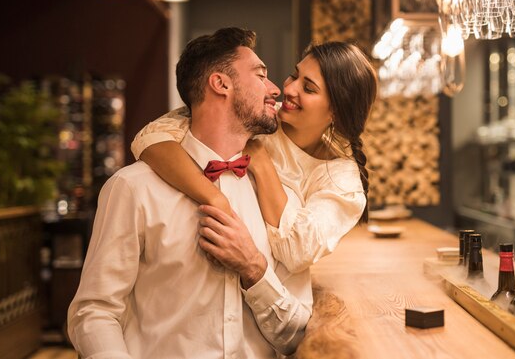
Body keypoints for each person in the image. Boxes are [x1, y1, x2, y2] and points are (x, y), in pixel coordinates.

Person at [68, 28, 312, 359]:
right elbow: (94, 312)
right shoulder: (133, 188)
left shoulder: (281, 201)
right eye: (260, 76)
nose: (274, 90)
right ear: (221, 84)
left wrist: (254, 268)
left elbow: (297, 337)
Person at [131, 40, 378, 274]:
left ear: (336, 110)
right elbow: (150, 137)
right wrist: (216, 200)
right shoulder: (260, 115)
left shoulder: (342, 182)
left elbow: (297, 252)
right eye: (295, 75)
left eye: (309, 88)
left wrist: (261, 164)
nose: (288, 89)